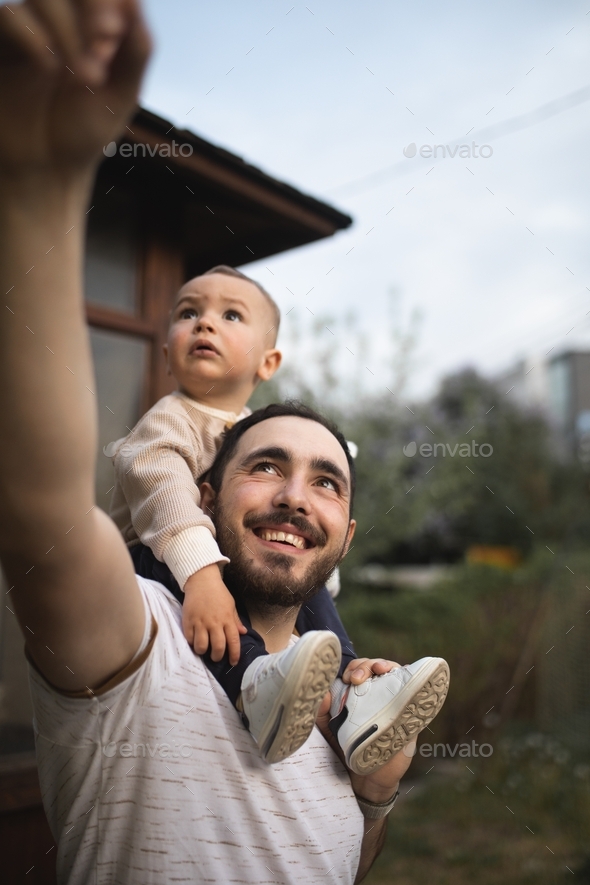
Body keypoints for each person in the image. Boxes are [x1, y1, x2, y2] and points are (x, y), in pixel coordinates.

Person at [0, 2, 440, 881]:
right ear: (210, 489)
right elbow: (42, 502)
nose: (294, 497)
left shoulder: (317, 674)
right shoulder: (140, 636)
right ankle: (250, 680)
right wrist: (36, 188)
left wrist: (376, 793)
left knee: (334, 654)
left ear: (347, 532)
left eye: (328, 482)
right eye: (265, 467)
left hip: (314, 687)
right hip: (181, 585)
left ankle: (362, 715)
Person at [107, 269, 449, 768]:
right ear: (166, 353)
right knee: (214, 609)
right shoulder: (169, 419)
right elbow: (166, 497)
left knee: (309, 585)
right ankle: (252, 688)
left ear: (267, 362)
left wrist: (317, 578)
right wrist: (201, 575)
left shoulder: (251, 429)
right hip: (157, 554)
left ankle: (353, 694)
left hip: (212, 553)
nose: (204, 324)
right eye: (188, 313)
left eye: (229, 315)